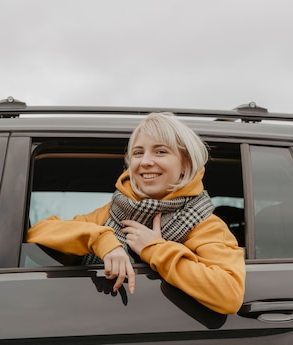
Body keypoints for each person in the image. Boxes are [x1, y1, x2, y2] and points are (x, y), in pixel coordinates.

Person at [27, 112, 245, 314]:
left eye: (161, 151)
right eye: (138, 153)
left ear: (185, 163)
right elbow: (38, 232)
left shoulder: (205, 224)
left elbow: (229, 294)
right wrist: (103, 241)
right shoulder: (114, 211)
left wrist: (154, 248)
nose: (146, 161)